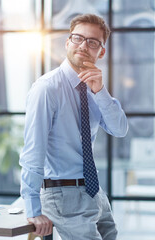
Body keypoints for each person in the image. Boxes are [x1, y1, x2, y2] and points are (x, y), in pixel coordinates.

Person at [19, 14, 128, 239]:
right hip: (62, 194)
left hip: (95, 192)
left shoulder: (94, 88)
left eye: (92, 42)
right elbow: (33, 151)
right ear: (68, 42)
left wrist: (101, 91)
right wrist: (32, 208)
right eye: (78, 38)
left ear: (101, 52)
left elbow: (120, 129)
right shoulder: (47, 88)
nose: (83, 45)